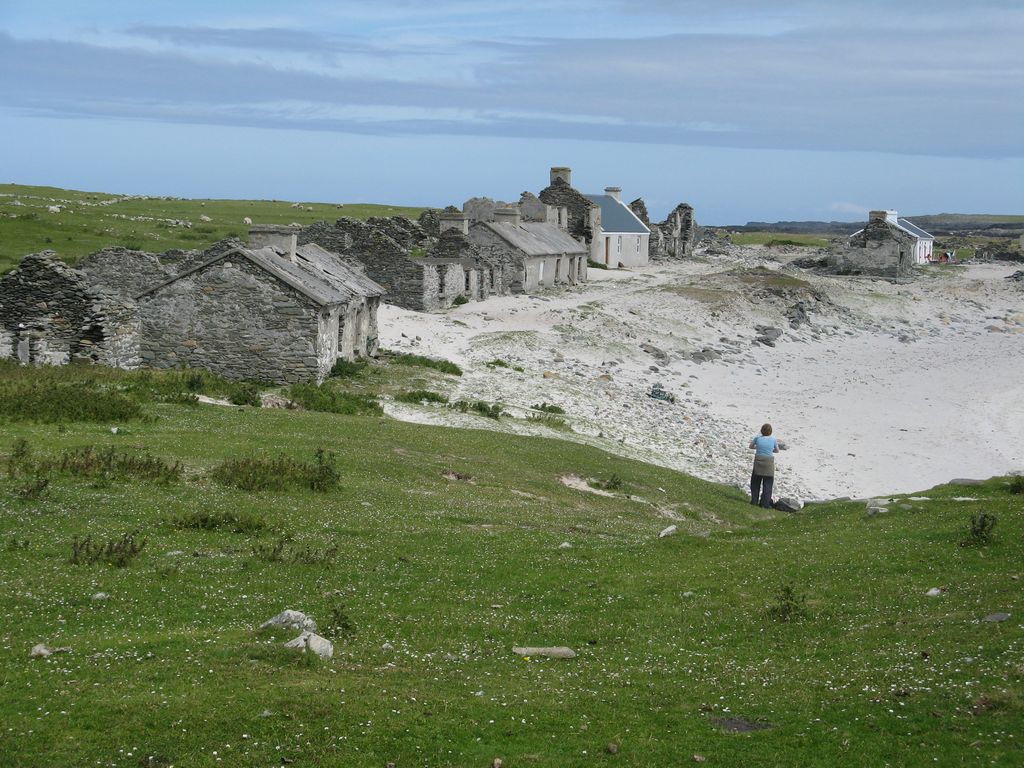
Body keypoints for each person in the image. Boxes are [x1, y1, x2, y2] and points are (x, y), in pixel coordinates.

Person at [749, 423, 779, 508]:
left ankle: (754, 501)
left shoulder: (757, 438)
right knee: (768, 484)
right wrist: (770, 450)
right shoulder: (773, 439)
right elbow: (777, 450)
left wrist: (758, 448)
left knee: (755, 482)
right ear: (771, 431)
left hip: (758, 461)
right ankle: (765, 504)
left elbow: (751, 446)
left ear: (762, 430)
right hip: (769, 462)